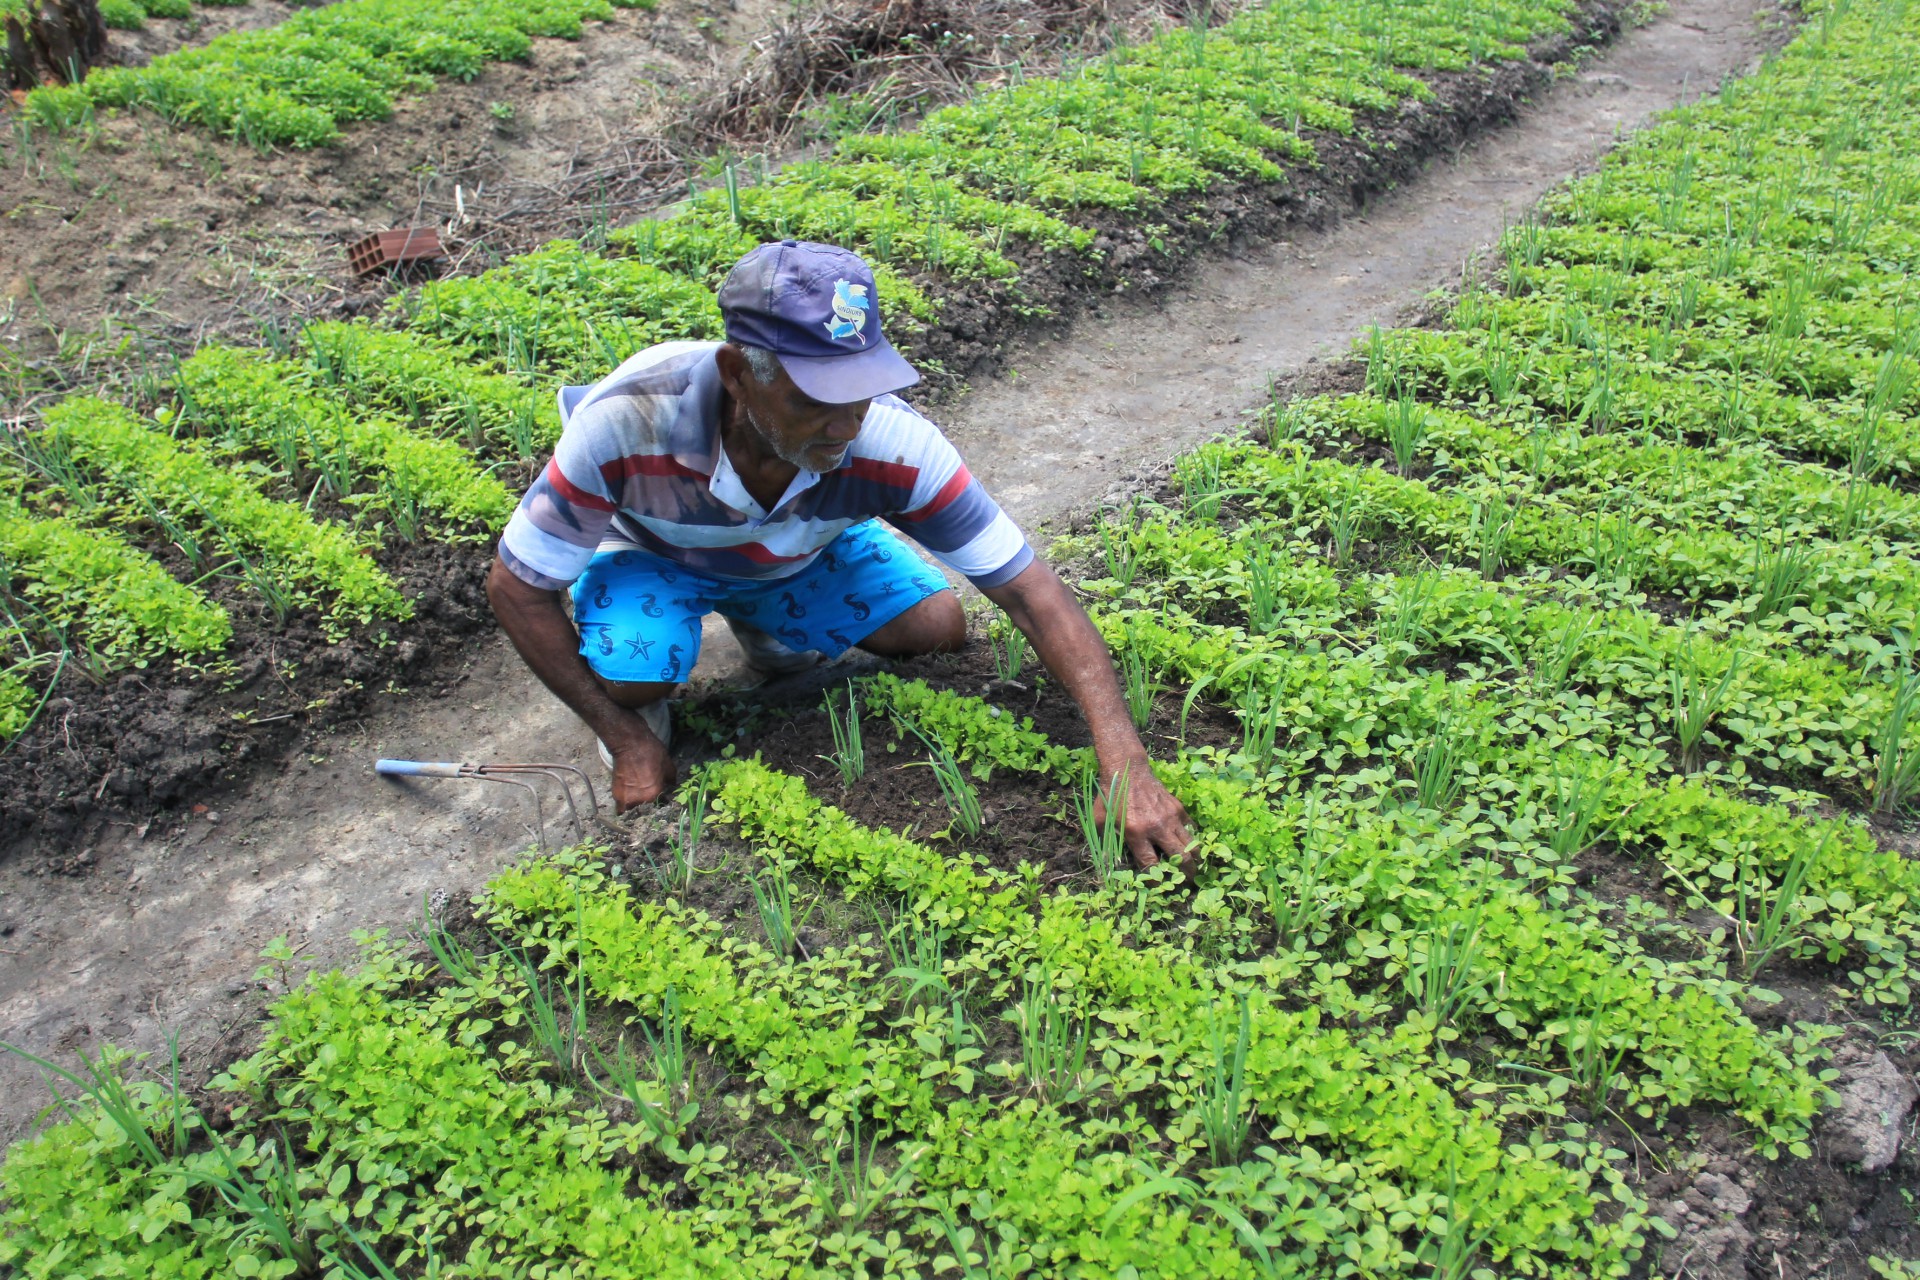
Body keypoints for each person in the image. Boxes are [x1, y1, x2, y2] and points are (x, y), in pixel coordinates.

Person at [486, 240, 1193, 872]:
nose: (847, 422)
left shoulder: (891, 441)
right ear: (737, 374)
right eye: (816, 398)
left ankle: (766, 621)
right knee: (635, 674)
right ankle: (644, 704)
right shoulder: (625, 419)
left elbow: (1032, 592)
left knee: (936, 629)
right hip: (657, 555)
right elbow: (515, 588)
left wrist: (1125, 761)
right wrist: (622, 737)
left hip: (792, 553)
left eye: (860, 390)